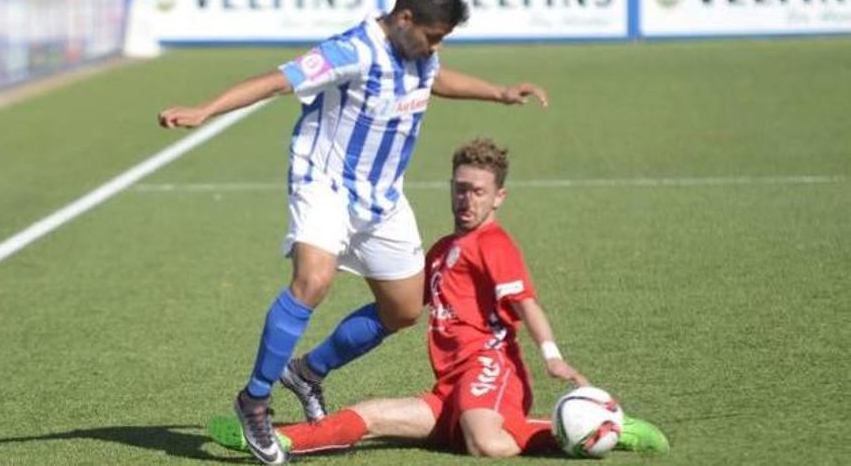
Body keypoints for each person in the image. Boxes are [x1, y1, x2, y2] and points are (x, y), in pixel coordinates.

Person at [158, 0, 549, 464]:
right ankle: (255, 399)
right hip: (324, 185)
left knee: (404, 309)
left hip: (382, 199)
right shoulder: (351, 51)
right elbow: (278, 80)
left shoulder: (419, 55)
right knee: (313, 279)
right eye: (432, 36)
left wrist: (498, 92)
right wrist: (204, 109)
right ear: (404, 19)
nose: (436, 47)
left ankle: (308, 371)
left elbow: (436, 78)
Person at [208, 138, 670, 458]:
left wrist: (552, 357)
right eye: (460, 189)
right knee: (370, 416)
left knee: (486, 443)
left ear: (499, 197)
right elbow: (394, 312)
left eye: (479, 192)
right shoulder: (442, 251)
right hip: (450, 386)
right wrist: (317, 364)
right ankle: (280, 439)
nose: (467, 200)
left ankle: (594, 425)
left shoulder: (495, 244)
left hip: (490, 370)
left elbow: (527, 303)